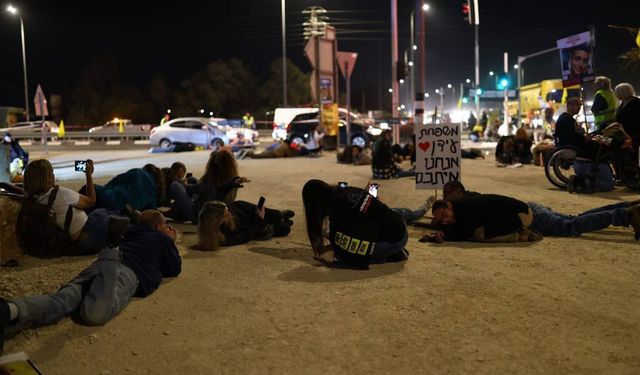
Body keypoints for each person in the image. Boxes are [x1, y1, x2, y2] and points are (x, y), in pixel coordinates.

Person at [0, 210, 181, 353]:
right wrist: (171, 241)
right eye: (168, 225)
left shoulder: (131, 233)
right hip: (127, 272)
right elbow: (174, 268)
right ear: (158, 227)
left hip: (97, 266)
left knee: (62, 301)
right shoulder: (160, 238)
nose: (171, 228)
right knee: (94, 314)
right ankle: (112, 248)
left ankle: (9, 310)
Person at [429, 193, 640, 243]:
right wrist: (443, 228)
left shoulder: (465, 212)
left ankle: (625, 215)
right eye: (442, 220)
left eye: (445, 215)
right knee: (572, 219)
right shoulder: (464, 203)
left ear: (449, 205)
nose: (446, 220)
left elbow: (466, 233)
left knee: (571, 227)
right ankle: (626, 206)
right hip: (529, 208)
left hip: (528, 215)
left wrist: (443, 235)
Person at [302, 179, 410, 269]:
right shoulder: (343, 192)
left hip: (396, 239)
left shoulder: (335, 207)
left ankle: (389, 254)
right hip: (399, 225)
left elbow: (352, 240)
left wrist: (343, 256)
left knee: (347, 252)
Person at [23, 159, 116, 255]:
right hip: (85, 240)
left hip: (64, 245)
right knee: (102, 212)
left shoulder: (28, 198)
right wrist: (88, 175)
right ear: (49, 177)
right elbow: (91, 201)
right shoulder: (61, 193)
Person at [167, 151, 242, 223]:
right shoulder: (234, 180)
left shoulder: (211, 179)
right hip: (217, 214)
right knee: (192, 179)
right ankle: (179, 210)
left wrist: (183, 183)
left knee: (175, 185)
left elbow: (192, 189)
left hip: (200, 215)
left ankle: (176, 209)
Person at [193, 200, 294, 251]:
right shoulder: (224, 237)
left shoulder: (229, 212)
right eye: (226, 214)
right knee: (285, 228)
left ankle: (280, 215)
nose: (229, 214)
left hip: (245, 212)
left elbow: (221, 193)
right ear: (217, 221)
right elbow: (246, 236)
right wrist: (260, 220)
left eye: (227, 210)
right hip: (254, 225)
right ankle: (278, 219)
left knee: (276, 215)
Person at [569, 123, 633, 193]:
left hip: (577, 165)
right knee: (609, 185)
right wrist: (623, 131)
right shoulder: (610, 140)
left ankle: (580, 180)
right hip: (589, 166)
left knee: (604, 170)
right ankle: (582, 181)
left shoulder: (596, 134)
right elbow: (629, 142)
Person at [90, 164, 165, 213]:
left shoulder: (138, 172)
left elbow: (115, 181)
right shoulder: (154, 194)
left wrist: (104, 190)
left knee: (90, 188)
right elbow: (152, 212)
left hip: (108, 200)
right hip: (122, 214)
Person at [614, 83, 640, 160]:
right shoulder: (623, 103)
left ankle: (634, 171)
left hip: (633, 134)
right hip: (623, 134)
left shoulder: (636, 103)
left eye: (617, 92)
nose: (615, 94)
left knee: (632, 155)